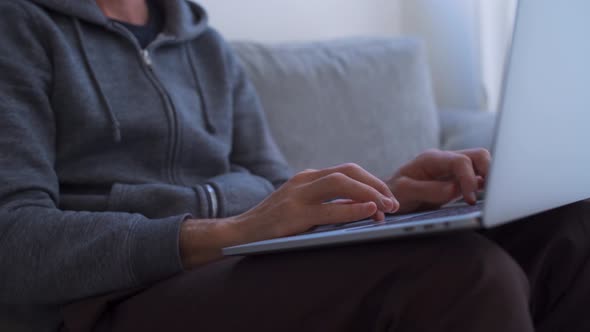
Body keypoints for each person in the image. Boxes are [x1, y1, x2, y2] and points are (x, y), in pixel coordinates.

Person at [0, 0, 588, 331]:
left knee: (568, 225)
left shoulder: (203, 42)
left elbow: (274, 191)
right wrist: (227, 233)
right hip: (105, 300)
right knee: (464, 271)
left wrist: (385, 197)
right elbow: (15, 239)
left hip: (227, 263)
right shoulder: (18, 27)